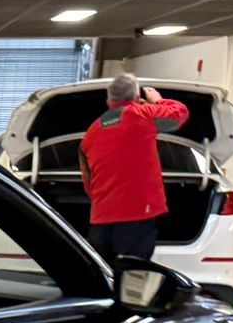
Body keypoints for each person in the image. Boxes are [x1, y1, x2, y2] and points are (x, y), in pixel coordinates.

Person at [79, 73, 191, 261]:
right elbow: (179, 114)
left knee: (101, 277)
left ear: (108, 101)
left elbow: (88, 183)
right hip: (137, 217)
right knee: (134, 276)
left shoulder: (91, 133)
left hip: (101, 221)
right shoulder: (142, 114)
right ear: (137, 98)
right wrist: (157, 101)